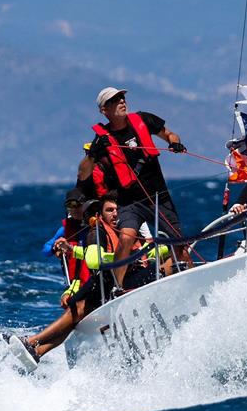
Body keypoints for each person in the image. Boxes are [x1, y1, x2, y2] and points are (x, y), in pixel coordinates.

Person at [6, 193, 166, 369]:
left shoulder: (130, 231)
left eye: (118, 210)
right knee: (77, 309)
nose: (115, 214)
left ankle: (37, 350)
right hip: (105, 281)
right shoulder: (96, 232)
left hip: (119, 282)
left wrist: (147, 252)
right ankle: (33, 343)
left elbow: (158, 249)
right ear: (100, 214)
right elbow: (93, 260)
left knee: (78, 311)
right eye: (109, 210)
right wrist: (128, 256)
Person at [77, 87, 191, 288]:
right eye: (115, 100)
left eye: (122, 97)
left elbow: (171, 135)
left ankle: (192, 280)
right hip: (130, 202)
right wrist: (93, 153)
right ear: (104, 110)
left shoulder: (143, 120)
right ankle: (118, 288)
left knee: (178, 240)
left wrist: (175, 144)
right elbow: (83, 173)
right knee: (126, 237)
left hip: (158, 196)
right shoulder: (101, 140)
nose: (122, 101)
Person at [41, 188, 91, 286]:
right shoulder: (65, 229)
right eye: (70, 206)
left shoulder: (95, 226)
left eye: (78, 205)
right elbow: (45, 250)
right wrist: (56, 248)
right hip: (75, 282)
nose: (74, 209)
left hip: (94, 277)